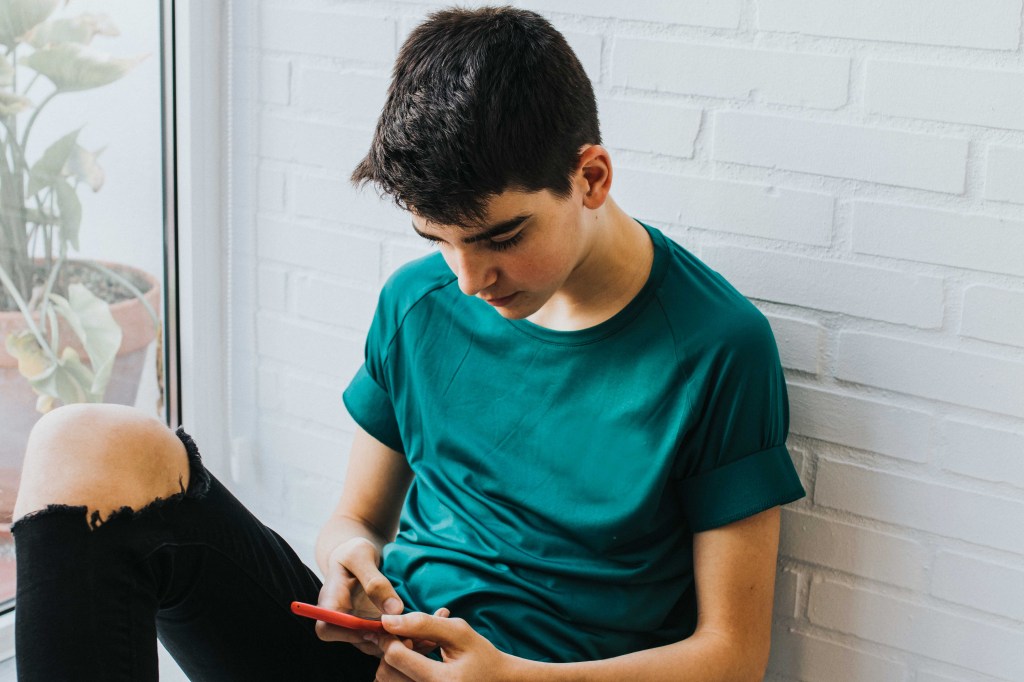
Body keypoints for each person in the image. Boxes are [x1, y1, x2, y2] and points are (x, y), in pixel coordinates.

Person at [11, 6, 805, 681]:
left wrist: (518, 679)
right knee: (84, 440)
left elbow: (731, 655)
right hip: (382, 656)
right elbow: (355, 518)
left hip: (545, 677)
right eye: (441, 240)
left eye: (501, 237)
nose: (469, 280)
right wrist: (349, 559)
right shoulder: (417, 301)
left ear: (590, 178)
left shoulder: (718, 348)